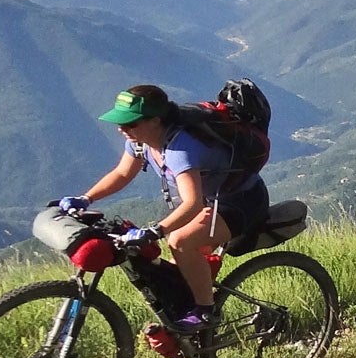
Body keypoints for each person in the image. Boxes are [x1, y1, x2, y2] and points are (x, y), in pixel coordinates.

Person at [58, 84, 269, 333]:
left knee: (180, 241)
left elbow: (192, 203)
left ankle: (206, 313)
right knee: (173, 276)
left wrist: (155, 230)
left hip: (242, 200)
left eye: (130, 123)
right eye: (120, 123)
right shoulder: (141, 141)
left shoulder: (182, 149)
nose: (121, 129)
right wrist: (85, 198)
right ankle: (189, 344)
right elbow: (123, 173)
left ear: (155, 121)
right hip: (212, 200)